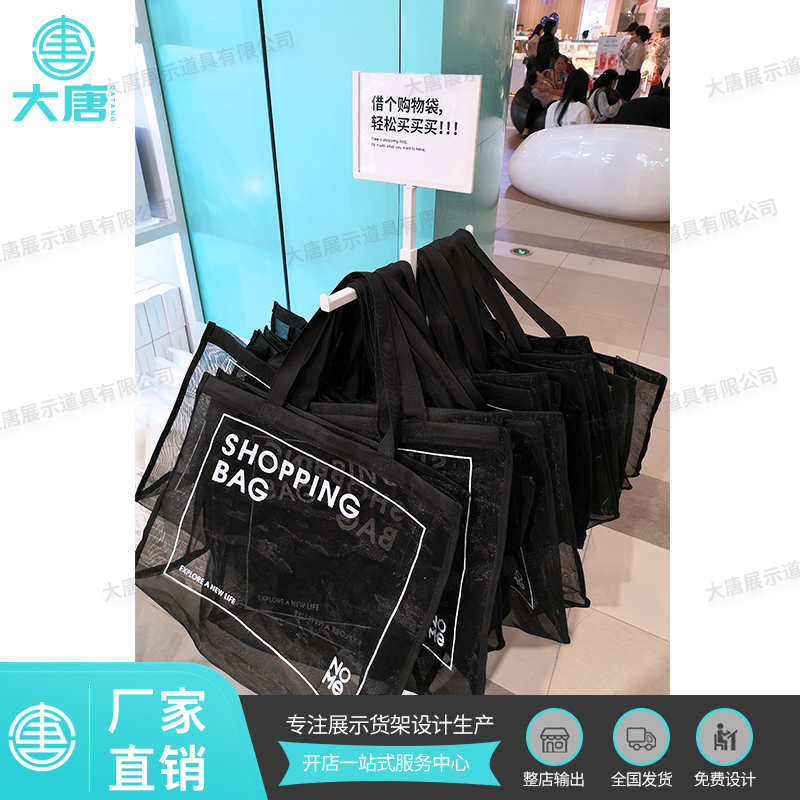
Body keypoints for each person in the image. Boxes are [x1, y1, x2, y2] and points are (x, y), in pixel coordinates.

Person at [521, 54, 569, 137]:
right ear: (555, 64)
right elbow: (535, 81)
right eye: (558, 63)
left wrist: (551, 90)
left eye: (562, 64)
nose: (560, 66)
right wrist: (537, 86)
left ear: (565, 66)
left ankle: (548, 131)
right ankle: (526, 129)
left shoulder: (566, 77)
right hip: (542, 99)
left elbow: (566, 93)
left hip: (555, 100)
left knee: (553, 106)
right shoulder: (547, 73)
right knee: (534, 103)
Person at [618, 25, 650, 100]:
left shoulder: (641, 48)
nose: (633, 36)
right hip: (629, 74)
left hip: (632, 76)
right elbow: (625, 56)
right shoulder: (638, 47)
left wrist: (625, 65)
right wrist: (629, 44)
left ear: (639, 36)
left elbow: (635, 67)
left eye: (635, 35)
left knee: (624, 98)